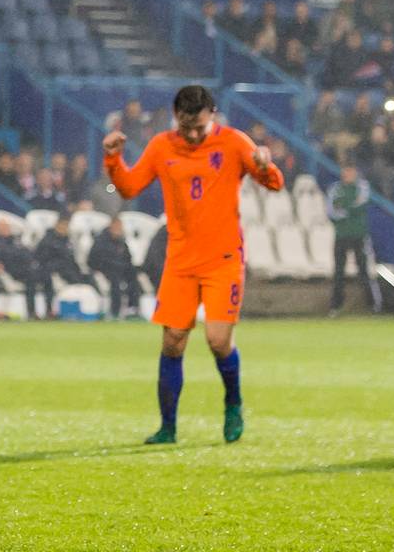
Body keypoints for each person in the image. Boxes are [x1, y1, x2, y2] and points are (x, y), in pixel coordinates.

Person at [103, 85, 284, 445]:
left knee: (218, 340)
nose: (192, 134)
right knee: (172, 341)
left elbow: (275, 184)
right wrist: (113, 159)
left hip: (223, 259)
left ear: (212, 116)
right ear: (176, 118)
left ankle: (233, 402)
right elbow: (129, 188)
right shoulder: (161, 146)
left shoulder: (233, 143)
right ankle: (167, 427)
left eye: (199, 127)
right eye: (185, 127)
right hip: (181, 261)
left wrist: (265, 165)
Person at [326, 163, 382, 315]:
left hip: (359, 234)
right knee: (338, 272)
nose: (348, 175)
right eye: (345, 171)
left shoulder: (362, 187)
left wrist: (344, 208)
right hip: (341, 235)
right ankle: (335, 306)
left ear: (355, 172)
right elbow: (331, 212)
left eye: (350, 171)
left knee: (364, 270)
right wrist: (348, 210)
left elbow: (359, 205)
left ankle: (373, 305)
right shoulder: (335, 189)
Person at [34, 213, 95, 316]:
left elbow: (71, 259)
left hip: (68, 269)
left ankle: (93, 308)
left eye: (66, 226)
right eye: (62, 226)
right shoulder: (47, 240)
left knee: (88, 277)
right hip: (52, 270)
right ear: (57, 225)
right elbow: (41, 258)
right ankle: (51, 310)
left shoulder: (67, 241)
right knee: (49, 281)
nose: (64, 229)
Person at [88, 217, 140, 318]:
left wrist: (127, 266)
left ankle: (133, 308)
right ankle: (115, 311)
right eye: (117, 227)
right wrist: (114, 265)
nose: (119, 230)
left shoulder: (121, 241)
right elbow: (93, 260)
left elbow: (128, 257)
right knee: (115, 281)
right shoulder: (101, 240)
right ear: (111, 226)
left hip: (120, 268)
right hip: (104, 269)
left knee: (133, 274)